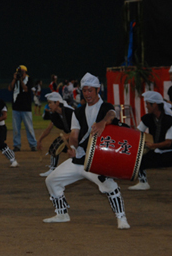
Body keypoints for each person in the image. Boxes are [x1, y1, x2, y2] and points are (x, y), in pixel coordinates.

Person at [43, 73, 130, 230]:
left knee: (110, 186)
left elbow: (112, 114)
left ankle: (121, 217)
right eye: (85, 91)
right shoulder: (78, 112)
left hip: (97, 159)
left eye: (90, 90)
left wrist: (103, 122)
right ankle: (62, 214)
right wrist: (73, 148)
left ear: (97, 90)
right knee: (51, 180)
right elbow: (74, 135)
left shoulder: (106, 107)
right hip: (80, 158)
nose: (87, 94)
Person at [37, 92, 74, 177]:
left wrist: (68, 136)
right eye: (48, 103)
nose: (49, 105)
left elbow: (81, 128)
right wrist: (40, 140)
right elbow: (48, 129)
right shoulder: (55, 115)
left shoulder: (70, 112)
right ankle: (52, 169)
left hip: (81, 135)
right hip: (72, 135)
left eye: (50, 103)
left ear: (57, 103)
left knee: (78, 153)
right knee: (56, 144)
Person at [8, 65, 37, 152]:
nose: (20, 74)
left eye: (22, 72)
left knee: (29, 127)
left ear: (25, 72)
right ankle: (16, 145)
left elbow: (26, 89)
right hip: (16, 107)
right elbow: (10, 88)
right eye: (19, 72)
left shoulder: (29, 80)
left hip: (26, 108)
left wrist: (20, 80)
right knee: (16, 128)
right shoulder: (15, 80)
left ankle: (33, 145)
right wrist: (14, 79)